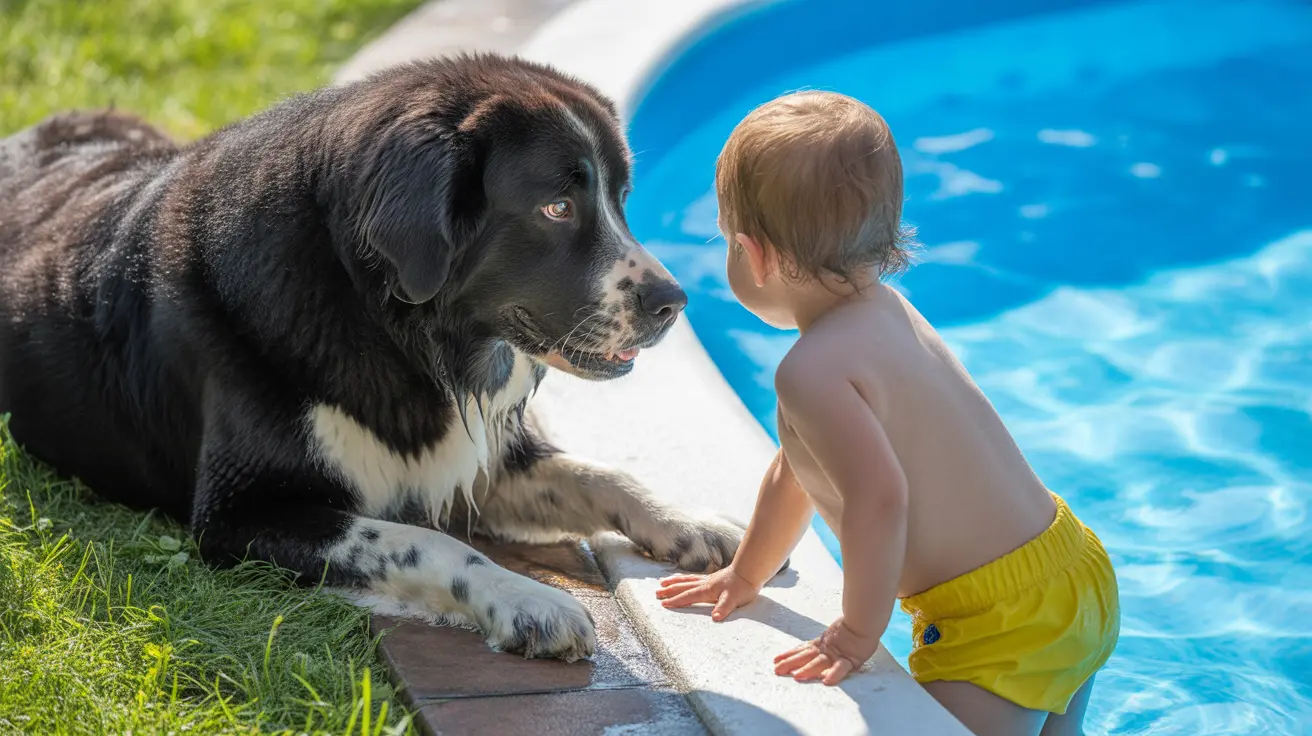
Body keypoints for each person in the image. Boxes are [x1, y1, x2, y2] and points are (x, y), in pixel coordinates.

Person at [654, 90, 1120, 736]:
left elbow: (879, 499)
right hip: (1073, 570)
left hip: (997, 622)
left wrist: (854, 633)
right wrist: (745, 573)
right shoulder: (893, 314)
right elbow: (798, 474)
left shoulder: (811, 371)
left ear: (753, 255)